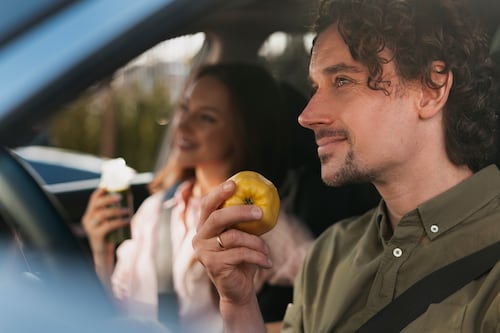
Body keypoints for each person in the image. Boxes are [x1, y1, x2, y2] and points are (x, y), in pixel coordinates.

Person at [192, 0, 500, 332]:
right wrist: (238, 305)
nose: (307, 116)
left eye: (341, 81)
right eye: (314, 88)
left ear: (431, 88)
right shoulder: (327, 254)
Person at [81, 63, 313, 333]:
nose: (183, 124)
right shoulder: (155, 209)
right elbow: (115, 312)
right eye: (184, 108)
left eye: (206, 118)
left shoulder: (262, 223)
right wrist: (102, 254)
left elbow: (329, 306)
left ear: (243, 132)